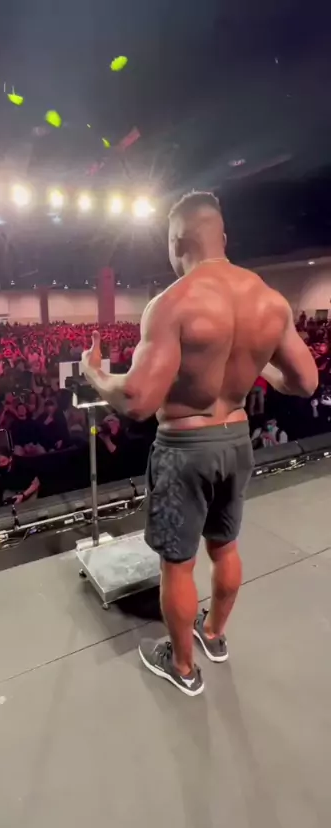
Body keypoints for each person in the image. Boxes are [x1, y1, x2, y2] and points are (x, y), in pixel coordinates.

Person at [82, 190, 318, 697]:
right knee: (226, 546)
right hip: (237, 440)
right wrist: (257, 368)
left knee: (178, 564)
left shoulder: (173, 304)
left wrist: (95, 375)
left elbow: (138, 400)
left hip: (185, 448)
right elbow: (306, 382)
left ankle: (183, 667)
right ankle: (213, 635)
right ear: (223, 238)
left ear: (176, 242)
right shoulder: (270, 300)